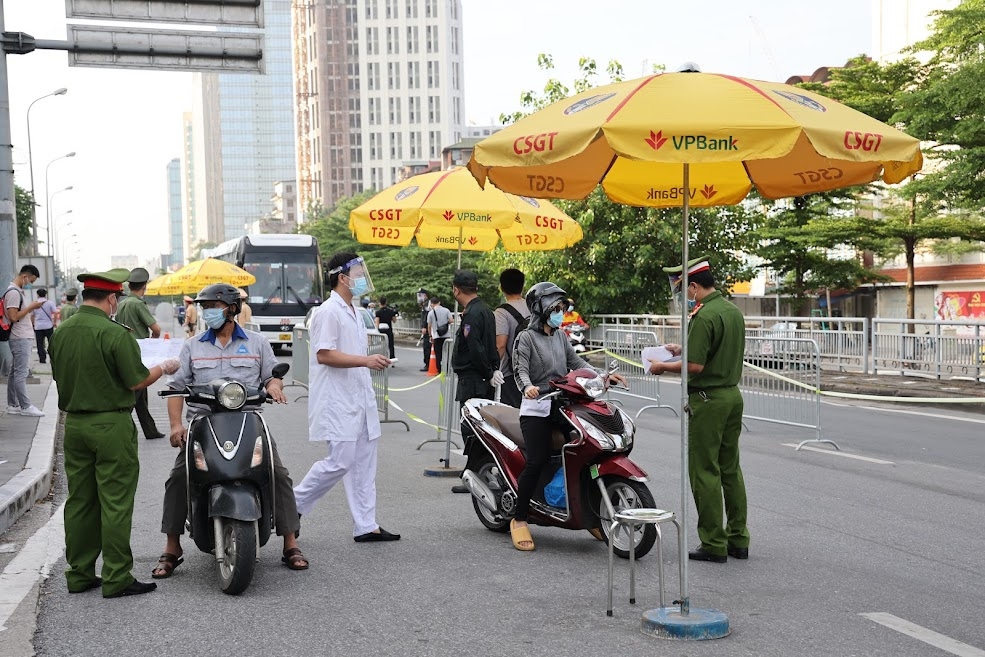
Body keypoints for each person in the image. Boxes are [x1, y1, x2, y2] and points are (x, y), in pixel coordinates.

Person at [153, 283, 308, 578]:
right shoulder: (193, 346)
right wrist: (176, 426)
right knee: (179, 477)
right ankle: (172, 546)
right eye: (205, 307)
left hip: (249, 421)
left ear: (232, 309)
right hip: (204, 423)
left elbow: (272, 377)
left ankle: (290, 541)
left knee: (277, 473)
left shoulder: (257, 343)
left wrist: (275, 387)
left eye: (213, 306)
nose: (208, 312)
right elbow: (175, 389)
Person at [49, 268, 181, 598]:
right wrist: (163, 367)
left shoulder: (61, 332)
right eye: (115, 301)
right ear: (111, 299)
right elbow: (136, 380)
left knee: (80, 502)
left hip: (75, 425)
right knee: (115, 502)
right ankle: (117, 576)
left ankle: (79, 574)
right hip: (111, 425)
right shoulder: (114, 334)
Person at [510, 282, 627, 551]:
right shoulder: (525, 338)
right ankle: (519, 518)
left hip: (564, 404)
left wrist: (603, 377)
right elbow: (520, 371)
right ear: (541, 310)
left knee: (589, 450)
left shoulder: (561, 337)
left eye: (562, 308)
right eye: (556, 308)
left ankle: (590, 513)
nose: (561, 313)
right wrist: (528, 387)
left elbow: (578, 365)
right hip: (537, 406)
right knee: (537, 459)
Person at [293, 252, 400, 543]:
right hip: (337, 400)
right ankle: (293, 504)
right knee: (340, 461)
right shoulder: (328, 311)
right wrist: (366, 361)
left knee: (365, 463)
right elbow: (324, 354)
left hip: (359, 397)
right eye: (358, 273)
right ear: (342, 277)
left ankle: (366, 525)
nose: (363, 277)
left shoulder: (353, 310)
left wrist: (372, 361)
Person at [649, 256, 749, 563]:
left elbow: (695, 366)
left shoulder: (704, 316)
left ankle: (713, 543)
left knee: (704, 471)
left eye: (683, 290)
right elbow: (713, 350)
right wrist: (682, 348)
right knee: (730, 469)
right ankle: (738, 539)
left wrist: (662, 366)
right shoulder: (731, 311)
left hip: (707, 401)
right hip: (732, 396)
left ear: (693, 286)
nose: (683, 296)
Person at [450, 270, 502, 494]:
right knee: (481, 426)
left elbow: (475, 347)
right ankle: (478, 470)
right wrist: (493, 370)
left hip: (474, 377)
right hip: (484, 376)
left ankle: (474, 473)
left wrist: (487, 371)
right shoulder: (486, 310)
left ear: (456, 289)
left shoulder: (471, 314)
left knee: (471, 427)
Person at [114, 268, 165, 441]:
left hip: (126, 348)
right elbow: (156, 329)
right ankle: (119, 426)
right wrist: (153, 343)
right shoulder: (137, 304)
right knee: (136, 391)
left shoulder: (122, 303)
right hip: (141, 351)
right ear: (144, 287)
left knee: (141, 395)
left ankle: (150, 430)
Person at [5, 265, 46, 417]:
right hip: (20, 337)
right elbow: (13, 317)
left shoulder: (16, 291)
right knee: (21, 373)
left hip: (20, 336)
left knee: (14, 373)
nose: (30, 284)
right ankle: (25, 406)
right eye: (31, 281)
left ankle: (13, 404)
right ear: (24, 277)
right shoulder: (14, 293)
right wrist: (31, 307)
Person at [493, 268, 530, 408]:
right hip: (535, 370)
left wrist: (494, 368)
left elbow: (501, 345)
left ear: (502, 287)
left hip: (512, 372)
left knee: (512, 414)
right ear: (522, 286)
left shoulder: (502, 312)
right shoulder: (533, 307)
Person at [426, 296, 453, 373]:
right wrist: (445, 324)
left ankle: (439, 370)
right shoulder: (446, 310)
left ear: (431, 304)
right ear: (439, 302)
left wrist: (430, 335)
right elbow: (451, 320)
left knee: (438, 353)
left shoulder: (431, 313)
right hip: (446, 335)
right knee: (447, 353)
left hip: (436, 335)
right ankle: (447, 369)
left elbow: (429, 326)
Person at [32, 288, 57, 364]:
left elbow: (32, 316)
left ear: (37, 295)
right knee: (51, 343)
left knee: (40, 344)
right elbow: (55, 312)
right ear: (45, 294)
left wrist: (33, 324)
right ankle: (53, 358)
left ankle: (42, 359)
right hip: (48, 326)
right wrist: (54, 322)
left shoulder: (34, 303)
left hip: (38, 326)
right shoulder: (50, 303)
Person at [374, 296, 398, 361]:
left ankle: (382, 358)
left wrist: (376, 330)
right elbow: (394, 321)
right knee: (391, 345)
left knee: (382, 345)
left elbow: (377, 322)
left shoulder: (378, 312)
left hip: (381, 331)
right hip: (389, 330)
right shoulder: (390, 311)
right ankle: (392, 359)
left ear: (379, 303)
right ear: (386, 302)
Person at [417, 287, 432, 372]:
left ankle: (428, 363)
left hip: (428, 329)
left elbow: (427, 317)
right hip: (427, 328)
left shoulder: (428, 304)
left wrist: (424, 327)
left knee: (427, 346)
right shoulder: (424, 304)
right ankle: (427, 363)